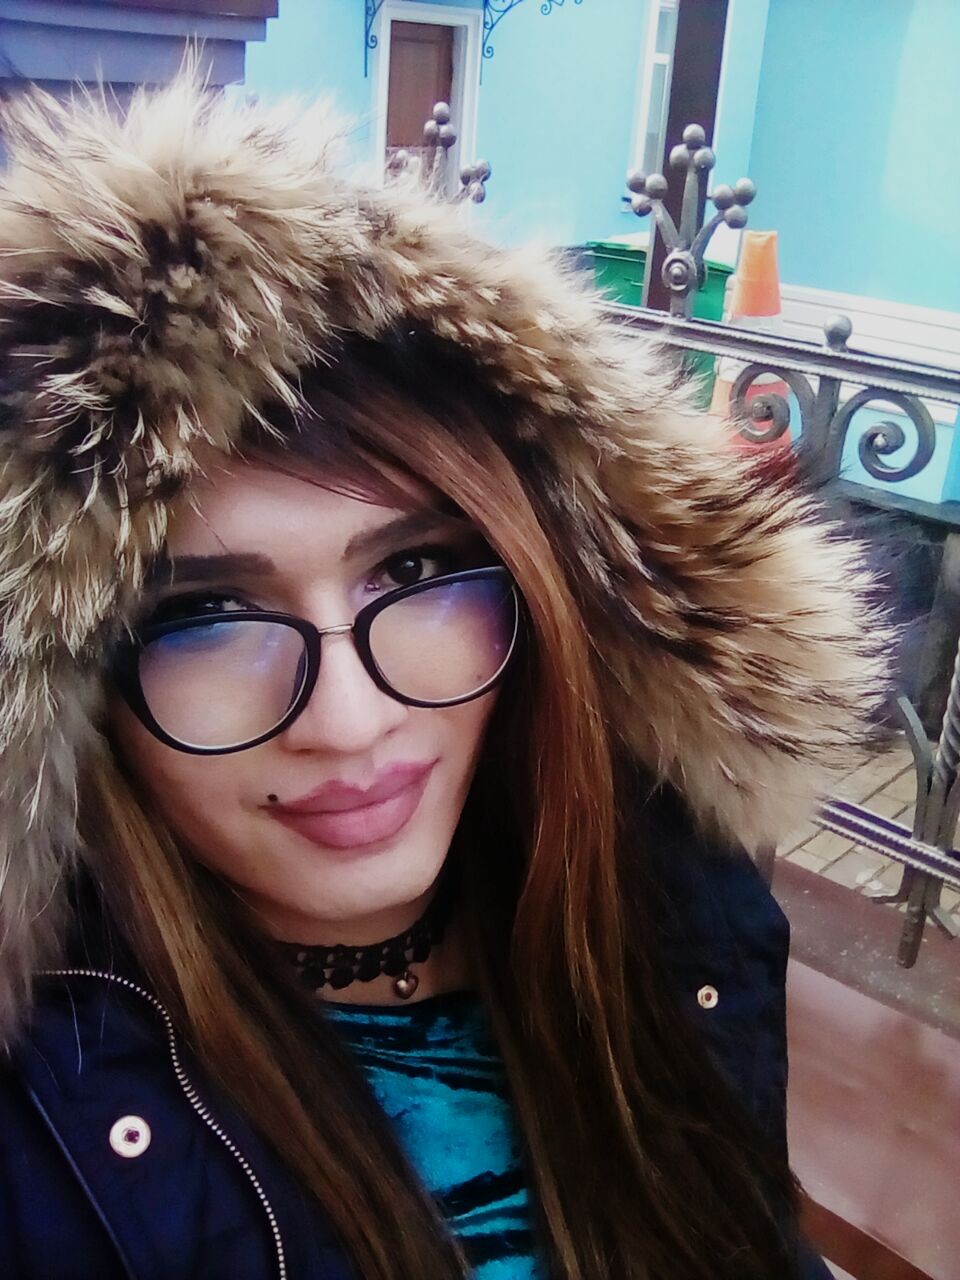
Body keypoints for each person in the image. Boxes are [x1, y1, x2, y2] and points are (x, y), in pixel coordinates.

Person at [0, 78, 887, 1280]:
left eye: (413, 568)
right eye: (203, 615)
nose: (349, 720)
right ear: (71, 688)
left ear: (538, 577)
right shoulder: (44, 1120)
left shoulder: (666, 887)